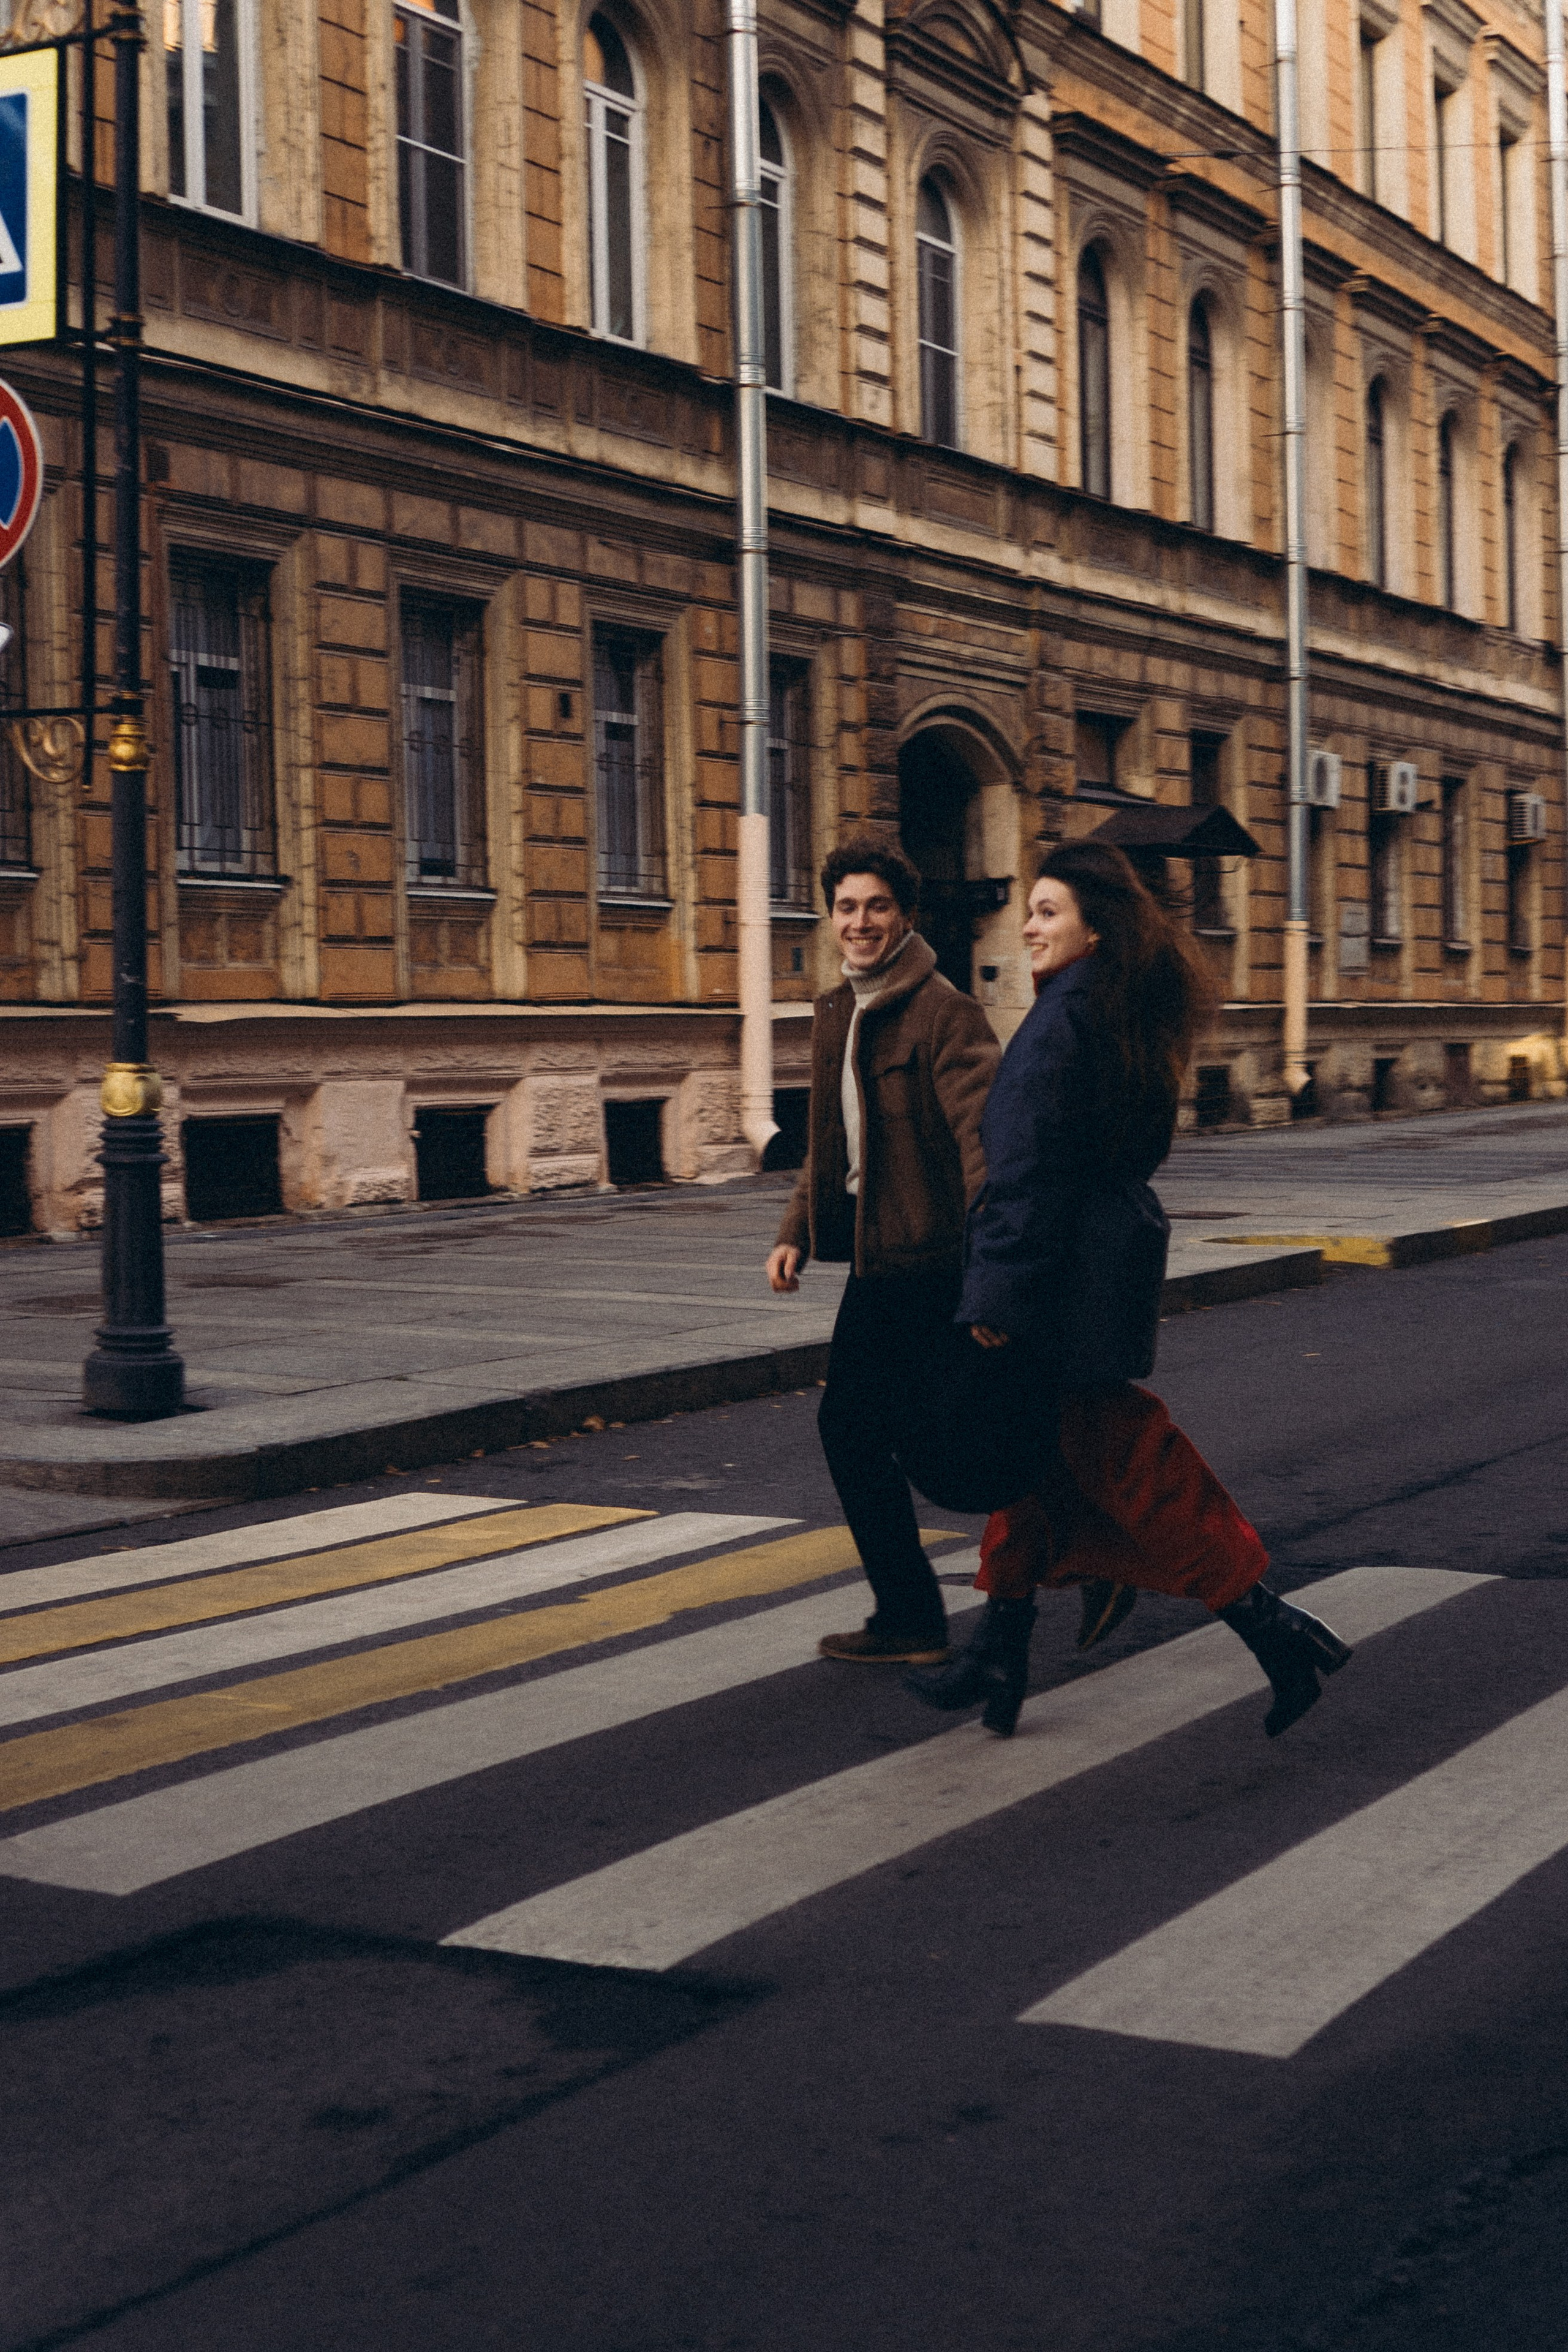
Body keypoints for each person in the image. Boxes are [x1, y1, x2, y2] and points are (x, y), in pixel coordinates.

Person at [905, 839, 1352, 1736]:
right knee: (1032, 1455)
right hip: (1092, 1265)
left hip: (1056, 1279)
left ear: (1096, 929)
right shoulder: (1116, 1013)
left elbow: (1024, 1175)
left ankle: (1274, 1629)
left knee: (1129, 1460)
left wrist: (995, 1294)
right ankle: (1001, 1645)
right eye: (1030, 911)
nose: (1029, 928)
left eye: (1048, 913)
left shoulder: (1060, 1026)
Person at [767, 837, 1001, 1664]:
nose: (859, 922)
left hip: (934, 1263)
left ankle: (915, 1615)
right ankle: (913, 1613)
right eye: (846, 907)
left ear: (904, 916)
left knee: (908, 1435)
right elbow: (829, 1142)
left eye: (876, 906)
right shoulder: (840, 1010)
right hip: (879, 1262)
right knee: (876, 1431)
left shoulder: (945, 1013)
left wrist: (992, 1276)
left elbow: (986, 1153)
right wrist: (796, 1230)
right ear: (831, 916)